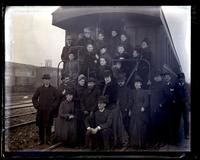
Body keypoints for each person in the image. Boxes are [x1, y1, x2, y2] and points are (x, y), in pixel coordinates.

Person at [32, 74, 59, 145]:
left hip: (49, 111)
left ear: (49, 80)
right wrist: (37, 106)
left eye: (48, 79)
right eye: (45, 79)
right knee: (40, 126)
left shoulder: (53, 89)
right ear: (43, 80)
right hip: (41, 111)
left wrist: (53, 106)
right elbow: (34, 98)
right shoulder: (39, 89)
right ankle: (41, 140)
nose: (46, 81)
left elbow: (57, 99)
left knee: (49, 126)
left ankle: (48, 140)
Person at [129, 76, 149, 149]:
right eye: (135, 83)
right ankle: (135, 144)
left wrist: (143, 107)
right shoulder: (132, 92)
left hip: (141, 112)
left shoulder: (144, 92)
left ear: (141, 84)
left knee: (142, 128)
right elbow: (131, 102)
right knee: (134, 128)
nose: (137, 84)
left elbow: (146, 101)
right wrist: (129, 110)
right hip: (134, 111)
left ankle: (142, 144)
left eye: (138, 83)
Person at [160, 71, 177, 145]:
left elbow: (175, 96)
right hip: (164, 109)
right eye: (165, 77)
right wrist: (162, 103)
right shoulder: (162, 87)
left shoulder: (173, 86)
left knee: (172, 124)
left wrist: (174, 100)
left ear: (170, 78)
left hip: (172, 109)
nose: (167, 78)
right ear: (164, 78)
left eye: (168, 77)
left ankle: (172, 141)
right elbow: (162, 97)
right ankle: (164, 141)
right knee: (164, 125)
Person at [174, 72, 190, 140]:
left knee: (186, 120)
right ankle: (177, 136)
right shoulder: (176, 86)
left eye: (182, 78)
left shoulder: (187, 85)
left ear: (184, 78)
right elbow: (174, 95)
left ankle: (187, 134)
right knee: (177, 120)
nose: (181, 79)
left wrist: (187, 102)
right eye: (179, 78)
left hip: (185, 105)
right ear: (178, 79)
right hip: (178, 105)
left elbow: (189, 95)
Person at [74, 74, 87, 147]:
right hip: (78, 109)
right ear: (78, 81)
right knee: (78, 126)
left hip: (84, 109)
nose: (83, 82)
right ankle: (78, 142)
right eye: (81, 81)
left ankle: (83, 142)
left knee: (83, 126)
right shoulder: (76, 88)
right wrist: (80, 100)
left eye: (84, 81)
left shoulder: (85, 88)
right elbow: (74, 98)